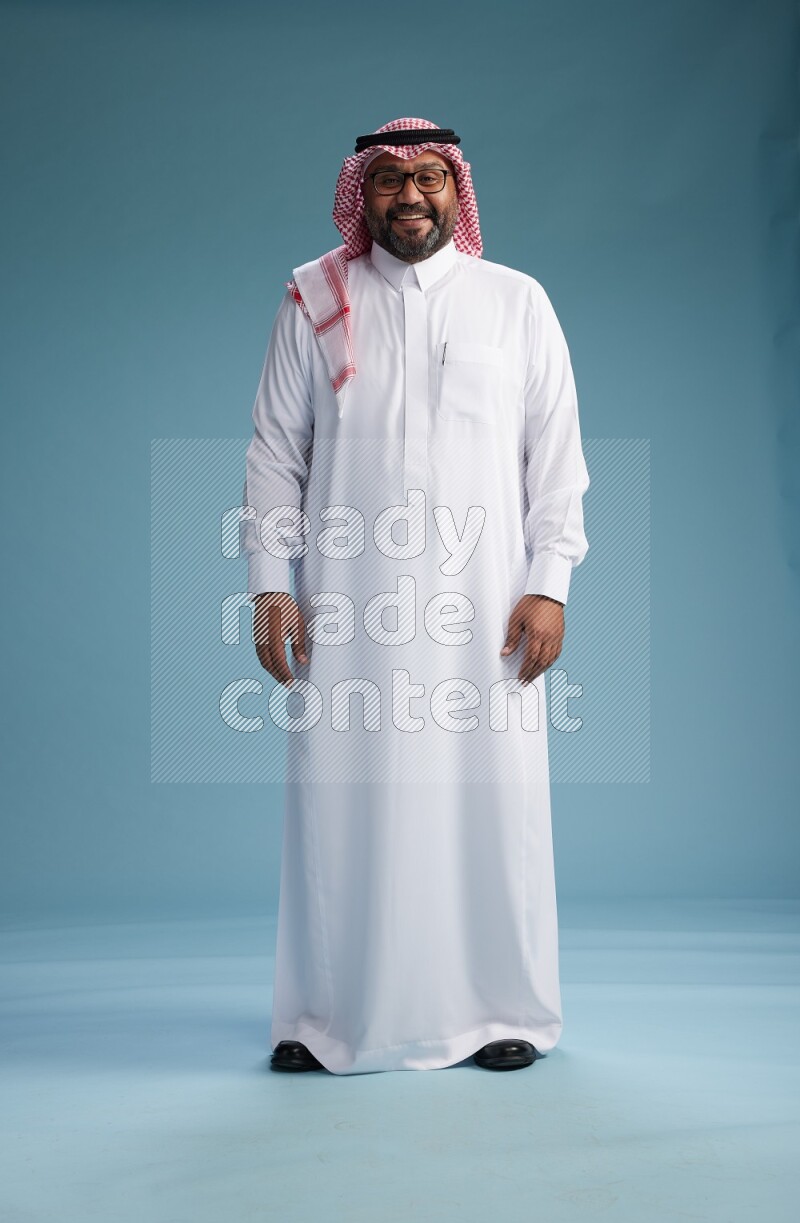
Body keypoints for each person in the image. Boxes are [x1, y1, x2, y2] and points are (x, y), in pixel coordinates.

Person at [240, 116, 590, 1075]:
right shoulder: (316, 296)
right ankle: (325, 1017)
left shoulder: (515, 302)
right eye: (390, 179)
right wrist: (271, 585)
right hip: (349, 605)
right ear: (364, 192)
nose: (410, 196)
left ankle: (500, 1009)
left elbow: (556, 461)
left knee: (490, 800)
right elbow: (275, 454)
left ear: (456, 190)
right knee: (341, 803)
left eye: (430, 178)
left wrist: (548, 584)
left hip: (484, 609)